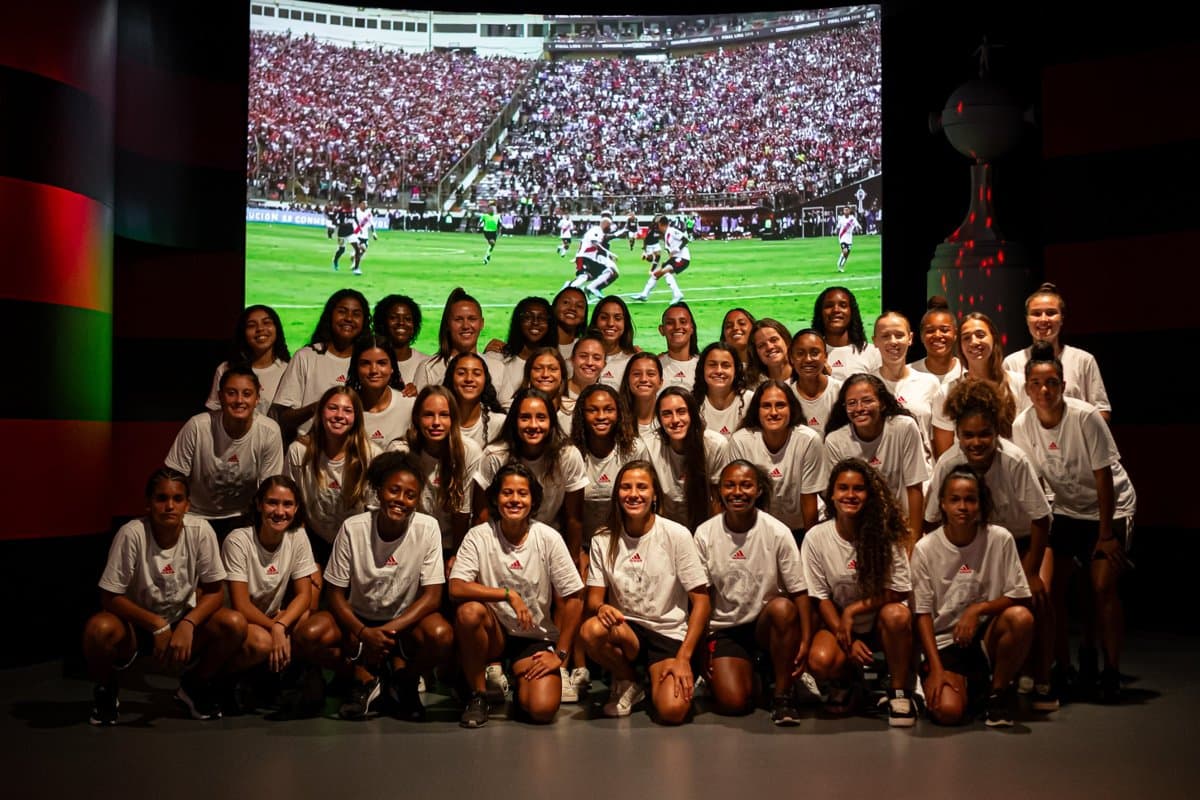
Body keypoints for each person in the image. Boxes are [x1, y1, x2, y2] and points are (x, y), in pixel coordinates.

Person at [1012, 342, 1136, 703]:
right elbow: (1036, 481)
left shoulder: (1085, 417)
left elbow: (1103, 477)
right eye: (1036, 384)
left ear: (1064, 386)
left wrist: (1105, 535)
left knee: (1101, 587)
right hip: (1066, 510)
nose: (1044, 390)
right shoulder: (1023, 424)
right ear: (1027, 388)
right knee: (1053, 590)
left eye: (1052, 383)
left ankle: (1110, 669)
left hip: (1109, 509)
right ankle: (1063, 666)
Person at [925, 377, 1055, 709]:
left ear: (996, 431)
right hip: (974, 543)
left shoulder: (1015, 460)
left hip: (1024, 540)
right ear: (957, 435)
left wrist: (1030, 571)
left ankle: (1041, 679)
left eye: (984, 434)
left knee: (1036, 596)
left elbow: (1041, 519)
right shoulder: (948, 464)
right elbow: (931, 522)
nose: (977, 442)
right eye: (968, 435)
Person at [293, 454, 454, 721]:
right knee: (307, 635)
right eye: (394, 490)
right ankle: (361, 677)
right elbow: (333, 593)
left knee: (442, 635)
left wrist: (385, 631)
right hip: (357, 620)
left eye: (410, 495)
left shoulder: (428, 528)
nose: (401, 499)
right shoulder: (352, 528)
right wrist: (363, 631)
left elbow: (433, 597)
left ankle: (404, 680)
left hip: (404, 622)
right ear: (379, 491)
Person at [84, 469, 246, 725]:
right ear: (148, 504)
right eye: (161, 498)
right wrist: (157, 626)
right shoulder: (131, 533)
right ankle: (106, 690)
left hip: (182, 620)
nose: (169, 506)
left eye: (177, 499)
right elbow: (109, 596)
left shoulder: (200, 530)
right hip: (137, 625)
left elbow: (215, 591)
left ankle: (193, 686)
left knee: (234, 624)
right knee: (97, 629)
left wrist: (188, 624)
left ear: (187, 504)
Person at [450, 464, 586, 727]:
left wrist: (560, 655)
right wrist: (507, 594)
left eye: (522, 494)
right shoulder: (479, 535)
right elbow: (456, 587)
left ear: (533, 500)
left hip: (532, 635)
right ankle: (478, 694)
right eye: (507, 493)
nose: (514, 500)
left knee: (542, 710)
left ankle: (514, 678)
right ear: (495, 498)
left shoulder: (548, 537)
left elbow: (575, 597)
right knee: (469, 612)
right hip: (494, 634)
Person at [581, 461, 711, 723]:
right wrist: (601, 607)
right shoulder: (602, 538)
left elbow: (702, 602)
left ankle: (655, 679)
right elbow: (594, 599)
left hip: (667, 633)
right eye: (626, 487)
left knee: (672, 712)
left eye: (642, 487)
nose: (633, 494)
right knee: (591, 630)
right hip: (627, 630)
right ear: (617, 494)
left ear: (654, 495)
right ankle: (630, 679)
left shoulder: (676, 534)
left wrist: (684, 657)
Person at [912, 467, 1035, 727]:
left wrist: (977, 610)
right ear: (942, 504)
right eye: (955, 499)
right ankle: (961, 683)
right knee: (948, 712)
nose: (963, 507)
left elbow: (1020, 595)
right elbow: (921, 613)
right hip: (944, 642)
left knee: (1020, 618)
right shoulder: (925, 548)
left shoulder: (999, 539)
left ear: (980, 504)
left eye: (970, 499)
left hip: (984, 636)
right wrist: (934, 668)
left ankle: (996, 693)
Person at [694, 460, 812, 724]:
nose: (738, 492)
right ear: (719, 492)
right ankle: (760, 673)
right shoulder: (704, 533)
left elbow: (799, 591)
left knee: (783, 608)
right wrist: (703, 648)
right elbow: (702, 598)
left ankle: (783, 695)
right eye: (730, 485)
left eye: (746, 485)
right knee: (733, 703)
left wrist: (805, 640)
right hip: (726, 628)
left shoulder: (778, 532)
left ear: (759, 490)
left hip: (765, 625)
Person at [801, 458, 915, 727]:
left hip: (878, 621)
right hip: (839, 622)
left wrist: (855, 609)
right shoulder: (816, 537)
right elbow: (820, 596)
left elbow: (899, 589)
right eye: (843, 488)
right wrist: (846, 636)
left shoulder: (886, 533)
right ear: (831, 494)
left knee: (897, 616)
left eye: (858, 489)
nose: (850, 495)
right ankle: (849, 680)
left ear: (870, 494)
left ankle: (899, 690)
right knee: (820, 660)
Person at [221, 476, 319, 714]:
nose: (280, 511)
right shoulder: (238, 540)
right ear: (258, 504)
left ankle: (284, 680)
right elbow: (241, 605)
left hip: (271, 617)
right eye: (272, 503)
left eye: (287, 504)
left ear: (296, 509)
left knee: (305, 617)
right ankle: (222, 679)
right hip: (239, 623)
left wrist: (281, 624)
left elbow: (304, 595)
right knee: (263, 643)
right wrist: (276, 628)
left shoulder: (297, 537)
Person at [166, 365, 284, 538]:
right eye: (231, 393)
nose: (239, 400)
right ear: (220, 397)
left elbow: (269, 488)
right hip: (196, 516)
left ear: (257, 398)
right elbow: (173, 478)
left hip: (243, 518)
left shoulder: (269, 431)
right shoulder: (197, 426)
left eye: (247, 394)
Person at [824, 374, 929, 545]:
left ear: (882, 403)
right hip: (856, 529)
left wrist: (913, 541)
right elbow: (838, 498)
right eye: (852, 403)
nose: (859, 408)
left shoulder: (904, 427)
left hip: (898, 526)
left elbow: (914, 486)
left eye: (867, 401)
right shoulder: (835, 441)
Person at [284, 385, 377, 568]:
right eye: (332, 408)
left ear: (356, 418)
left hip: (357, 542)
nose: (339, 415)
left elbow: (374, 512)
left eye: (347, 410)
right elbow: (290, 503)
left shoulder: (370, 454)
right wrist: (303, 551)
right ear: (320, 412)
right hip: (312, 539)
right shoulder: (299, 451)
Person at [387, 385, 482, 557]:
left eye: (444, 415)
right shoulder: (400, 450)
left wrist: (456, 556)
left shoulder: (468, 450)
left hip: (449, 542)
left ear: (453, 418)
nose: (436, 422)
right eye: (428, 415)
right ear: (417, 417)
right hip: (408, 541)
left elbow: (462, 512)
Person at [1003, 283, 1112, 422]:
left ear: (1062, 318)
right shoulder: (1011, 363)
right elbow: (1005, 413)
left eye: (1051, 313)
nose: (1043, 319)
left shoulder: (1083, 360)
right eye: (1036, 314)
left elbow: (1102, 411)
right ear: (1026, 319)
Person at [728, 381, 826, 536]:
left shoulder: (808, 440)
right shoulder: (740, 441)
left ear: (791, 408)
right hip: (760, 528)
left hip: (802, 525)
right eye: (766, 406)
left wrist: (809, 546)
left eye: (780, 405)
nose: (773, 412)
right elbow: (741, 498)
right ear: (757, 410)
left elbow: (809, 498)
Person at [272, 288, 370, 441]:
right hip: (311, 450)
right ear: (330, 315)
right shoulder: (306, 356)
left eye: (356, 314)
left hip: (354, 451)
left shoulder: (369, 360)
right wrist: (319, 406)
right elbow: (284, 417)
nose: (349, 318)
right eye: (342, 311)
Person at [930, 311, 1027, 459]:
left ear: (994, 339)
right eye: (966, 338)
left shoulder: (1020, 384)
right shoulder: (946, 393)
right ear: (960, 346)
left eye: (980, 335)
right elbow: (945, 456)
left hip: (1012, 475)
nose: (974, 342)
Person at [642, 387, 730, 530]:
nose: (675, 420)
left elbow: (718, 501)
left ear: (692, 414)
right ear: (659, 418)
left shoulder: (715, 445)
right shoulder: (649, 445)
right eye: (667, 414)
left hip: (705, 527)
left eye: (681, 412)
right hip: (664, 529)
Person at [204, 304, 291, 415]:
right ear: (243, 333)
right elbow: (214, 412)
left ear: (277, 329)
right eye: (251, 325)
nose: (260, 329)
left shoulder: (288, 369)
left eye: (267, 323)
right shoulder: (226, 369)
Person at [872, 311, 940, 450]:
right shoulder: (866, 385)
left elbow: (936, 439)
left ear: (910, 338)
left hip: (923, 469)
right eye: (885, 336)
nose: (893, 341)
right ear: (875, 341)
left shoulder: (929, 383)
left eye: (899, 335)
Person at [483, 296, 557, 409]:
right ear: (518, 321)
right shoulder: (496, 357)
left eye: (542, 318)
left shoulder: (555, 364)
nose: (535, 322)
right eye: (528, 317)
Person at [348, 335, 416, 451]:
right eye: (365, 363)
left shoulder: (410, 405)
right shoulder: (346, 408)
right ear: (356, 368)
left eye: (382, 363)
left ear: (392, 367)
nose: (374, 370)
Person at [414, 288, 485, 390]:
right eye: (458, 319)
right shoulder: (429, 368)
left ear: (482, 323)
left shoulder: (496, 367)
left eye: (472, 319)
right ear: (447, 324)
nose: (465, 326)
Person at [811, 286, 881, 380]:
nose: (836, 310)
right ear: (820, 313)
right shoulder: (810, 355)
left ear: (852, 312)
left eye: (843, 305)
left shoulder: (872, 353)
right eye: (829, 306)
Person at [443, 351, 506, 449]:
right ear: (451, 379)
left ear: (485, 380)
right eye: (461, 373)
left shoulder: (499, 423)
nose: (469, 379)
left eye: (476, 374)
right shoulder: (439, 422)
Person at [789, 328, 843, 439]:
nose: (808, 359)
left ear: (825, 357)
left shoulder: (841, 391)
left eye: (814, 353)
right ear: (791, 358)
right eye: (800, 353)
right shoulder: (787, 395)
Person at [694, 342, 753, 439]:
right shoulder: (691, 402)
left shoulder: (751, 400)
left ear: (736, 370)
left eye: (726, 365)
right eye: (712, 365)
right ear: (702, 368)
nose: (719, 371)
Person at [372, 294, 425, 393]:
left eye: (408, 319)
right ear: (382, 323)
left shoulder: (427, 364)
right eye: (393, 318)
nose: (401, 323)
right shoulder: (369, 363)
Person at [632, 214, 690, 304]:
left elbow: (685, 239)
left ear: (661, 224)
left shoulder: (672, 231)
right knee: (656, 274)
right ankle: (644, 295)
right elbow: (671, 252)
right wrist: (668, 260)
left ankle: (678, 294)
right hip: (675, 259)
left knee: (666, 272)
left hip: (683, 258)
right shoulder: (666, 234)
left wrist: (677, 249)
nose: (656, 227)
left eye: (657, 224)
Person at [909, 296, 963, 385]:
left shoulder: (967, 373)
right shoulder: (908, 373)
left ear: (955, 334)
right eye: (930, 331)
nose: (937, 335)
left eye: (944, 330)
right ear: (921, 336)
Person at [568, 210, 620, 301]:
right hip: (585, 257)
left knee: (609, 272)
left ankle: (591, 288)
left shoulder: (600, 232)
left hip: (591, 258)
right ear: (605, 224)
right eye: (608, 226)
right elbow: (595, 243)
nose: (609, 227)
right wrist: (609, 253)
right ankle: (568, 291)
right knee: (584, 276)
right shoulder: (596, 230)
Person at [521, 347, 573, 434]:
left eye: (553, 369)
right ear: (528, 374)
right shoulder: (513, 408)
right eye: (538, 369)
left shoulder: (574, 410)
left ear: (562, 376)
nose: (545, 374)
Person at [590, 296, 639, 388]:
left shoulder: (633, 361)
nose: (610, 323)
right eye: (604, 317)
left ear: (625, 323)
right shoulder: (581, 359)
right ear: (595, 321)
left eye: (617, 318)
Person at [619, 351, 665, 438]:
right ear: (628, 380)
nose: (643, 379)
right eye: (636, 374)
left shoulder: (668, 420)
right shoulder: (616, 420)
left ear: (660, 382)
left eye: (651, 374)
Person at [658, 302, 700, 390]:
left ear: (691, 328)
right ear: (662, 330)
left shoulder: (704, 365)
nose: (677, 326)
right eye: (670, 323)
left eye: (683, 322)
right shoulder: (654, 365)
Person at [747, 318, 794, 389]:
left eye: (774, 340)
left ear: (786, 340)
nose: (769, 347)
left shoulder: (805, 377)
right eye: (761, 345)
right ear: (756, 353)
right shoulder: (752, 387)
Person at [551, 286, 589, 364]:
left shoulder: (587, 348)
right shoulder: (539, 345)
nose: (572, 308)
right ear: (554, 307)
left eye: (579, 306)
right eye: (566, 302)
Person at [566, 334, 606, 401]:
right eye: (583, 356)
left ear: (604, 364)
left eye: (596, 358)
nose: (589, 363)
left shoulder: (608, 397)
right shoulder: (558, 392)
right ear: (572, 359)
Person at [720, 307, 756, 375]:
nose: (735, 328)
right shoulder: (719, 369)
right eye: (729, 326)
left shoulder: (767, 364)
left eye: (742, 323)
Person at [331, 195, 356, 272]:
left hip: (351, 233)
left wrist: (358, 228)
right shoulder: (339, 211)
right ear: (345, 201)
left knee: (357, 247)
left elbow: (355, 219)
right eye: (349, 200)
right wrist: (340, 224)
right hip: (342, 234)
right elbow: (334, 221)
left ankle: (356, 265)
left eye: (351, 200)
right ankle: (335, 260)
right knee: (342, 250)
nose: (351, 202)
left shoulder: (353, 210)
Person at [835, 206, 862, 272]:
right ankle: (839, 264)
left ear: (849, 211)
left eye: (847, 210)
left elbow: (857, 225)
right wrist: (835, 230)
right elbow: (838, 227)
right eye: (844, 210)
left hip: (849, 238)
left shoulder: (852, 218)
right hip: (842, 237)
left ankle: (841, 266)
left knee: (846, 255)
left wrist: (859, 228)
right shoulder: (841, 219)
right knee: (845, 251)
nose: (845, 211)